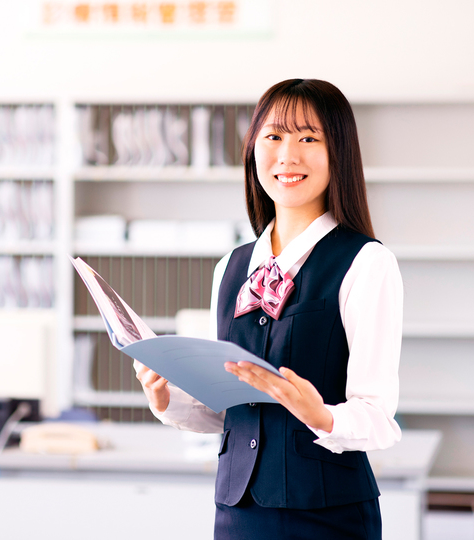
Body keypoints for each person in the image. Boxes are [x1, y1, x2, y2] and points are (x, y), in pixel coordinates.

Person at [135, 79, 403, 539]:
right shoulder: (231, 267)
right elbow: (231, 410)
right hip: (238, 515)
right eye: (274, 136)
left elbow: (378, 416)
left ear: (338, 151)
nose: (288, 155)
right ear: (253, 148)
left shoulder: (365, 263)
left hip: (327, 518)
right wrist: (167, 401)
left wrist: (321, 415)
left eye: (308, 138)